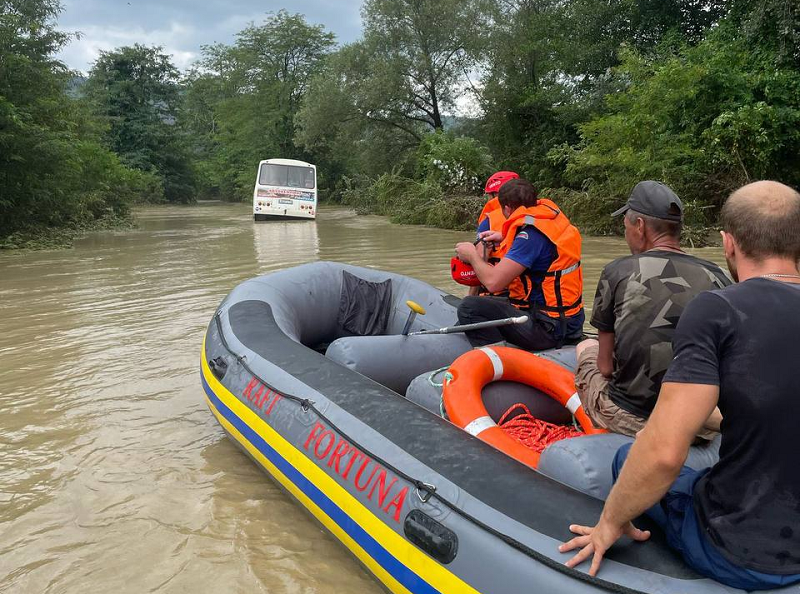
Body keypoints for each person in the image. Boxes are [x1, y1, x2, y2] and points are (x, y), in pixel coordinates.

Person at [560, 180, 800, 590]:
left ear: (728, 243)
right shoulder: (716, 286)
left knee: (628, 456)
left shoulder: (717, 311)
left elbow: (664, 454)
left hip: (744, 552)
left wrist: (607, 525)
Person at [575, 181, 730, 438]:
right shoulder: (718, 275)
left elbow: (605, 368)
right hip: (702, 422)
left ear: (640, 227)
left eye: (625, 226)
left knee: (584, 348)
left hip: (634, 417)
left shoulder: (617, 271)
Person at [454, 178, 584, 350]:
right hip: (569, 322)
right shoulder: (549, 221)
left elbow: (493, 283)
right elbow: (540, 247)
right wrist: (503, 236)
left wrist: (471, 254)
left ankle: (499, 360)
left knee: (469, 307)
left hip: (550, 329)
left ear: (507, 208)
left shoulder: (529, 238)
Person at [471, 171, 520, 296]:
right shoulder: (530, 215)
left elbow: (479, 263)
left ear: (494, 195)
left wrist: (469, 297)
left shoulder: (488, 222)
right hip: (525, 292)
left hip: (498, 292)